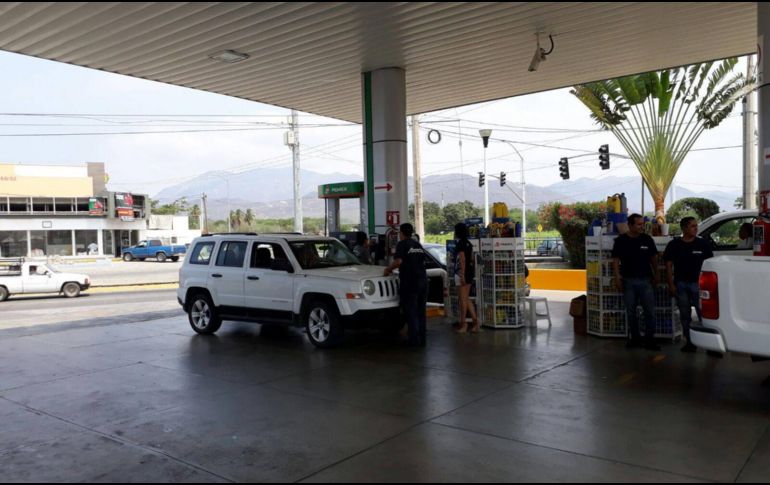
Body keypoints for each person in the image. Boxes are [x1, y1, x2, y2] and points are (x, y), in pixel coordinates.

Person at [664, 217, 714, 353]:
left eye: (696, 226)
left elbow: (710, 264)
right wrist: (671, 284)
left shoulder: (703, 244)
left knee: (704, 315)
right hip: (681, 285)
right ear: (684, 228)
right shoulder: (674, 245)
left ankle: (711, 346)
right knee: (685, 315)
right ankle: (690, 342)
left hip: (699, 285)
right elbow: (668, 265)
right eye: (692, 226)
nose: (696, 228)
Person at [612, 213, 661, 351]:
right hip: (628, 282)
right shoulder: (621, 241)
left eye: (643, 224)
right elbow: (615, 261)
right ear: (630, 225)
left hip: (646, 281)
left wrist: (657, 274)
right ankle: (635, 338)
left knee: (649, 312)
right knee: (631, 312)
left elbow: (654, 259)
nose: (642, 227)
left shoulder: (647, 239)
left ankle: (650, 340)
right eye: (639, 224)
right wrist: (617, 278)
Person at [384, 223, 428, 347]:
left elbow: (398, 261)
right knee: (421, 311)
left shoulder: (402, 244)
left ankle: (413, 340)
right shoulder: (417, 245)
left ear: (401, 233)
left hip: (410, 282)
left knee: (411, 311)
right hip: (423, 281)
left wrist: (388, 269)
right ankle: (422, 339)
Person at [453, 223, 480, 333]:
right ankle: (475, 322)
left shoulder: (460, 244)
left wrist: (462, 275)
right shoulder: (469, 243)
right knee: (466, 298)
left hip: (461, 273)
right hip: (469, 272)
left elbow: (462, 260)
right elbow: (472, 259)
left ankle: (463, 324)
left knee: (463, 300)